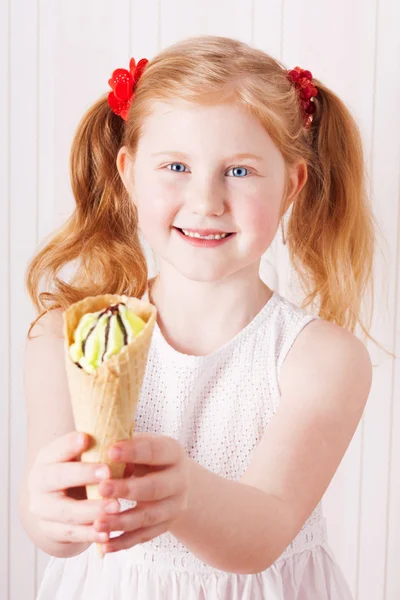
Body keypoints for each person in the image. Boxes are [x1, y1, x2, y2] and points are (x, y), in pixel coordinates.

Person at [20, 34, 387, 600]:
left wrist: (182, 490)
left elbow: (263, 534)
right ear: (128, 172)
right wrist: (49, 513)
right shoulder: (63, 338)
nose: (206, 200)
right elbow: (55, 530)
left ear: (291, 185)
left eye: (239, 172)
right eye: (175, 166)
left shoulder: (321, 359)